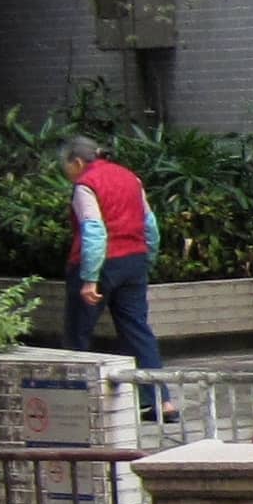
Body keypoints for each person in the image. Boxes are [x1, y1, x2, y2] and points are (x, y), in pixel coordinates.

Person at [61, 135, 163, 376]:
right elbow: (150, 225)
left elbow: (94, 231)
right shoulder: (130, 177)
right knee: (137, 330)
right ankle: (161, 400)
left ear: (76, 162)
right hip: (134, 261)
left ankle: (78, 393)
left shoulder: (86, 184)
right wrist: (147, 260)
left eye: (66, 167)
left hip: (102, 264)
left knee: (78, 333)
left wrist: (89, 279)